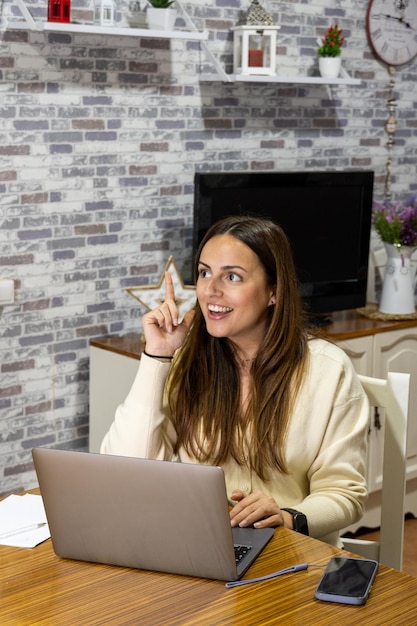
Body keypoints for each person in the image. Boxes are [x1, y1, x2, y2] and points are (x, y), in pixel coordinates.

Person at [101, 215, 369, 547]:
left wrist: (287, 516)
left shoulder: (328, 370)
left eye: (232, 276)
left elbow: (345, 493)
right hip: (203, 545)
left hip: (294, 553)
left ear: (273, 291)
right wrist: (157, 356)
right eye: (204, 272)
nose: (211, 290)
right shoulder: (187, 361)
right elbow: (126, 469)